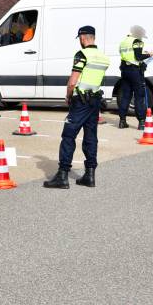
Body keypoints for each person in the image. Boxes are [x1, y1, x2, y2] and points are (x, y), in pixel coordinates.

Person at [44, 26, 110, 189]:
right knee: (91, 136)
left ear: (82, 38)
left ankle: (62, 175)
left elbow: (73, 81)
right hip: (95, 100)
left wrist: (68, 95)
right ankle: (90, 175)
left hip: (80, 101)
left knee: (68, 136)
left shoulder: (82, 54)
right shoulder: (103, 57)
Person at [117, 25, 153, 130]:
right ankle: (142, 122)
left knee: (126, 96)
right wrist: (149, 55)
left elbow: (127, 56)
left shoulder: (123, 42)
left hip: (125, 70)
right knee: (139, 96)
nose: (142, 38)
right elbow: (138, 57)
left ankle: (122, 121)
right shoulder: (137, 41)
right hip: (135, 72)